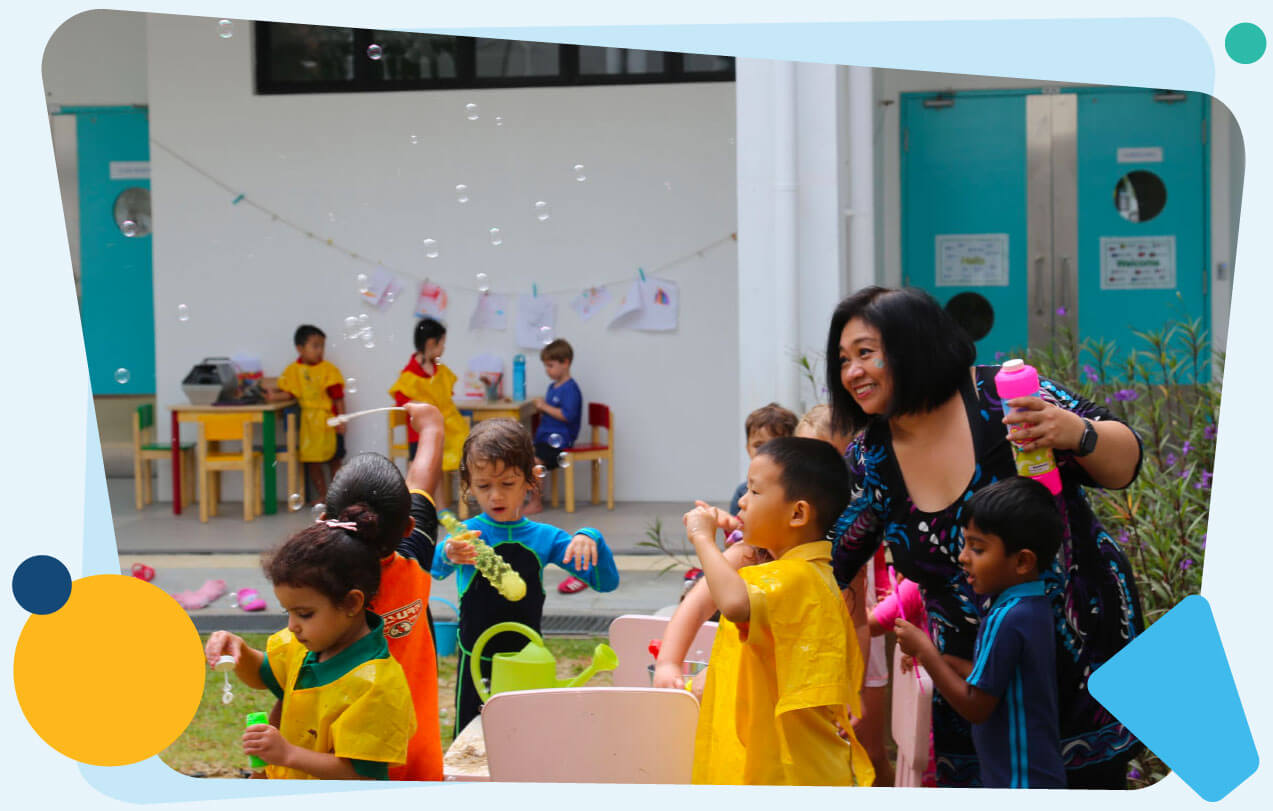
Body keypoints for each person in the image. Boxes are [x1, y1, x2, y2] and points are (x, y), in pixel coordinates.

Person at [824, 285, 1144, 788]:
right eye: (842, 360)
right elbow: (828, 557)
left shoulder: (1004, 396)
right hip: (974, 686)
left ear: (914, 342)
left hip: (1082, 662)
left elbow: (1124, 464)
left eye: (865, 352)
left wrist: (1073, 431)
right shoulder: (871, 459)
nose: (851, 372)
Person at [686, 437, 874, 786]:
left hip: (791, 772)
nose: (741, 500)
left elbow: (735, 604)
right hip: (781, 763)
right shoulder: (800, 573)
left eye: (755, 493)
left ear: (798, 513)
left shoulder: (798, 576)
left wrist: (703, 540)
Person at [431, 418, 620, 735]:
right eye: (483, 486)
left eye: (506, 484)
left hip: (527, 661)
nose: (495, 496)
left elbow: (606, 582)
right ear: (468, 484)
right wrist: (448, 552)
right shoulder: (467, 535)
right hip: (474, 660)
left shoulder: (545, 538)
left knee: (525, 740)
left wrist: (592, 537)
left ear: (531, 481)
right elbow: (436, 569)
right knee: (472, 742)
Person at [203, 517, 415, 779]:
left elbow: (363, 777)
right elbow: (262, 673)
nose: (292, 626)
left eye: (304, 613)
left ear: (351, 603)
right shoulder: (306, 646)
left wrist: (287, 754)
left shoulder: (377, 685)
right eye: (288, 612)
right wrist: (240, 651)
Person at [894, 477, 1067, 789]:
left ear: (1022, 561)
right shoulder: (1032, 606)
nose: (963, 557)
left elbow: (976, 706)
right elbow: (992, 679)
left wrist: (925, 651)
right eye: (965, 545)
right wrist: (941, 660)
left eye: (977, 548)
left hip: (1017, 782)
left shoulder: (1006, 617)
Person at [317, 401, 448, 781]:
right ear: (407, 528)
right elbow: (422, 480)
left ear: (326, 522)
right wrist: (431, 428)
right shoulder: (416, 556)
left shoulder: (319, 581)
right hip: (417, 751)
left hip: (347, 759)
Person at [389, 317, 469, 505]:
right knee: (419, 469)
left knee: (438, 466)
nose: (444, 349)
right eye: (442, 344)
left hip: (440, 428)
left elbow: (445, 395)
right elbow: (403, 402)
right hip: (418, 432)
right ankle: (414, 506)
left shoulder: (438, 370)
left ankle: (440, 508)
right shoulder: (409, 374)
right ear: (431, 343)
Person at [268, 324, 345, 504]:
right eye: (315, 346)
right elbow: (290, 393)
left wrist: (342, 418)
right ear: (300, 348)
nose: (320, 351)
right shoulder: (293, 371)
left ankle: (338, 497)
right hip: (308, 424)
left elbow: (338, 397)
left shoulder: (328, 370)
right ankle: (323, 495)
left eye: (322, 346)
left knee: (334, 459)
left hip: (329, 421)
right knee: (312, 461)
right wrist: (274, 396)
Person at [526, 338, 582, 521]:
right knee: (520, 454)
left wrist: (543, 407)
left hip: (561, 441)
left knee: (535, 460)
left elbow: (568, 415)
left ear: (565, 363)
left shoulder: (570, 389)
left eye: (551, 365)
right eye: (546, 366)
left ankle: (535, 502)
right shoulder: (552, 387)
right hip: (546, 438)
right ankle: (524, 498)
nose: (547, 371)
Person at [728, 403, 799, 515]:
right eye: (758, 445)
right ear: (748, 449)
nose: (766, 451)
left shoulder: (800, 490)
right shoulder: (742, 492)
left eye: (776, 444)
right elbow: (736, 530)